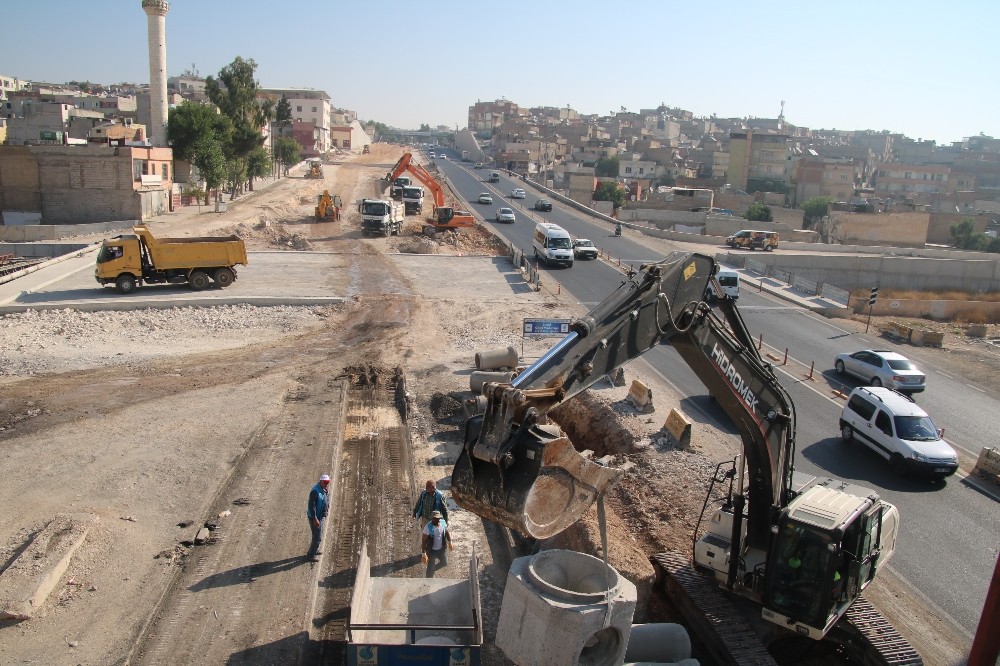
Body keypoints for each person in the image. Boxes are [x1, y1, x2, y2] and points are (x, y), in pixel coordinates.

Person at [306, 474, 331, 562]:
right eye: (325, 482)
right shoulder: (315, 491)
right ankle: (310, 555)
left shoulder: (323, 489)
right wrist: (315, 519)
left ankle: (314, 550)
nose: (327, 484)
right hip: (315, 518)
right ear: (320, 481)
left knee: (318, 536)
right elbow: (311, 506)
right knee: (317, 537)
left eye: (328, 482)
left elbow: (326, 500)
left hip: (320, 516)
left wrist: (326, 509)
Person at [421, 510, 452, 578]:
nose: (437, 520)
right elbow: (424, 540)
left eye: (438, 518)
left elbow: (446, 532)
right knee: (430, 567)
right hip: (432, 551)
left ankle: (433, 570)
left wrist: (450, 542)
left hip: (441, 549)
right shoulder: (428, 527)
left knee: (444, 562)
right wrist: (423, 553)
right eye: (435, 519)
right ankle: (428, 580)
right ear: (432, 519)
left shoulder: (443, 523)